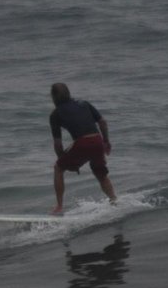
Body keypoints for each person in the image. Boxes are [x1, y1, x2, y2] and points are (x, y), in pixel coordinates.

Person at [49, 82, 117, 214]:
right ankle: (114, 200)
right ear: (68, 93)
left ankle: (59, 207)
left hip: (82, 142)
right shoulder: (85, 104)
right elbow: (103, 122)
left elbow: (58, 143)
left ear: (54, 97)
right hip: (97, 140)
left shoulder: (55, 114)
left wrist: (62, 160)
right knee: (100, 174)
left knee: (58, 168)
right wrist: (106, 141)